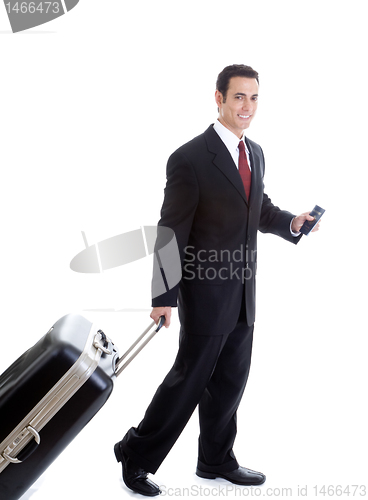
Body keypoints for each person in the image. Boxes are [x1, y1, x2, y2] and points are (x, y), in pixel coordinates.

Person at [114, 64, 320, 496]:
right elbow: (171, 234)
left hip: (244, 291)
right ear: (219, 99)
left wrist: (291, 223)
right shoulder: (190, 158)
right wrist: (164, 296)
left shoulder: (256, 152)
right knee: (189, 381)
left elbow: (258, 208)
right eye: (239, 97)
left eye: (254, 97)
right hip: (205, 293)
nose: (247, 106)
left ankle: (215, 460)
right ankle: (135, 453)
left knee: (230, 381)